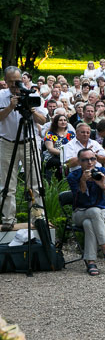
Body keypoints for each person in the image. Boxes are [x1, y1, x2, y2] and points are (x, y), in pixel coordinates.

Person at [0, 66, 47, 231]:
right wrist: (10, 107)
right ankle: (8, 219)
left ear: (23, 79)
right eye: (10, 81)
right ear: (5, 81)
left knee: (34, 182)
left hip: (29, 142)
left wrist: (31, 109)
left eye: (17, 81)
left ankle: (38, 217)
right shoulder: (1, 96)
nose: (14, 84)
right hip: (7, 143)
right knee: (6, 184)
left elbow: (42, 120)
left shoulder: (32, 94)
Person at [67, 148, 105, 276]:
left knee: (89, 223)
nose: (89, 162)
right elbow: (79, 198)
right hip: (80, 212)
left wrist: (103, 185)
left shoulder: (103, 172)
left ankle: (91, 262)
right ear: (79, 162)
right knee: (93, 211)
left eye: (92, 159)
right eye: (85, 160)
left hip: (101, 212)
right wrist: (82, 181)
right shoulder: (74, 176)